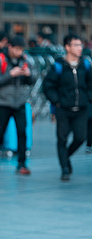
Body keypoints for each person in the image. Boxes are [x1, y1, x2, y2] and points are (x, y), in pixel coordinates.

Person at [43, 34, 92, 181]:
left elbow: (90, 84)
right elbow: (48, 86)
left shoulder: (86, 65)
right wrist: (57, 101)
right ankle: (65, 168)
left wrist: (88, 99)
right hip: (63, 109)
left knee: (80, 138)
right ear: (67, 47)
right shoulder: (59, 66)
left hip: (82, 109)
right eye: (76, 45)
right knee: (62, 139)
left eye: (81, 45)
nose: (80, 48)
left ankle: (66, 157)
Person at [0, 36, 35, 175]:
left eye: (21, 49)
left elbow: (32, 80)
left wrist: (28, 75)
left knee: (22, 131)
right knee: (0, 131)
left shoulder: (26, 60)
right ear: (10, 47)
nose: (19, 52)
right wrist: (10, 74)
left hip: (20, 102)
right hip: (3, 102)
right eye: (17, 49)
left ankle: (22, 164)